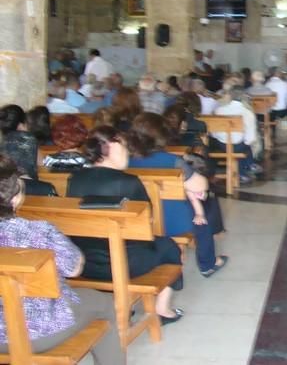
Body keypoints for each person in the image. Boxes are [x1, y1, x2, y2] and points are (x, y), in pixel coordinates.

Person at [0, 155, 125, 363]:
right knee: (105, 304)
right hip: (39, 330)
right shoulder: (38, 231)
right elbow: (74, 268)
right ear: (15, 199)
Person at [66, 126, 184, 324]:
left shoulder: (74, 178)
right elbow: (147, 223)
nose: (128, 151)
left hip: (86, 263)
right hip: (126, 263)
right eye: (124, 146)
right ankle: (162, 309)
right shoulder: (129, 182)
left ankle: (117, 304)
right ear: (108, 147)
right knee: (169, 247)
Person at [127, 113, 227, 277]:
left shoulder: (127, 161)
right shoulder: (172, 161)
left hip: (142, 220)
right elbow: (201, 184)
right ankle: (208, 263)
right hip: (175, 223)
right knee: (205, 204)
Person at [210, 84, 260, 185]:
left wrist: (221, 138)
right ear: (244, 96)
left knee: (240, 144)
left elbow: (213, 133)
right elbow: (251, 138)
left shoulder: (219, 110)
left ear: (230, 95)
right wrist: (245, 142)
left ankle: (246, 168)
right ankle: (244, 171)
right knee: (245, 146)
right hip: (237, 146)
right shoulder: (247, 112)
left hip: (221, 145)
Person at [0, 104, 40, 179]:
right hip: (28, 184)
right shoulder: (30, 138)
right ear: (22, 122)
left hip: (5, 184)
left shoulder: (4, 140)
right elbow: (41, 163)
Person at [266, 67, 287, 139]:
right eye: (281, 73)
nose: (282, 74)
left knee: (270, 110)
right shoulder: (285, 84)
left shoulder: (267, 85)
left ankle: (273, 132)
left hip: (271, 112)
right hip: (282, 111)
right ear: (277, 73)